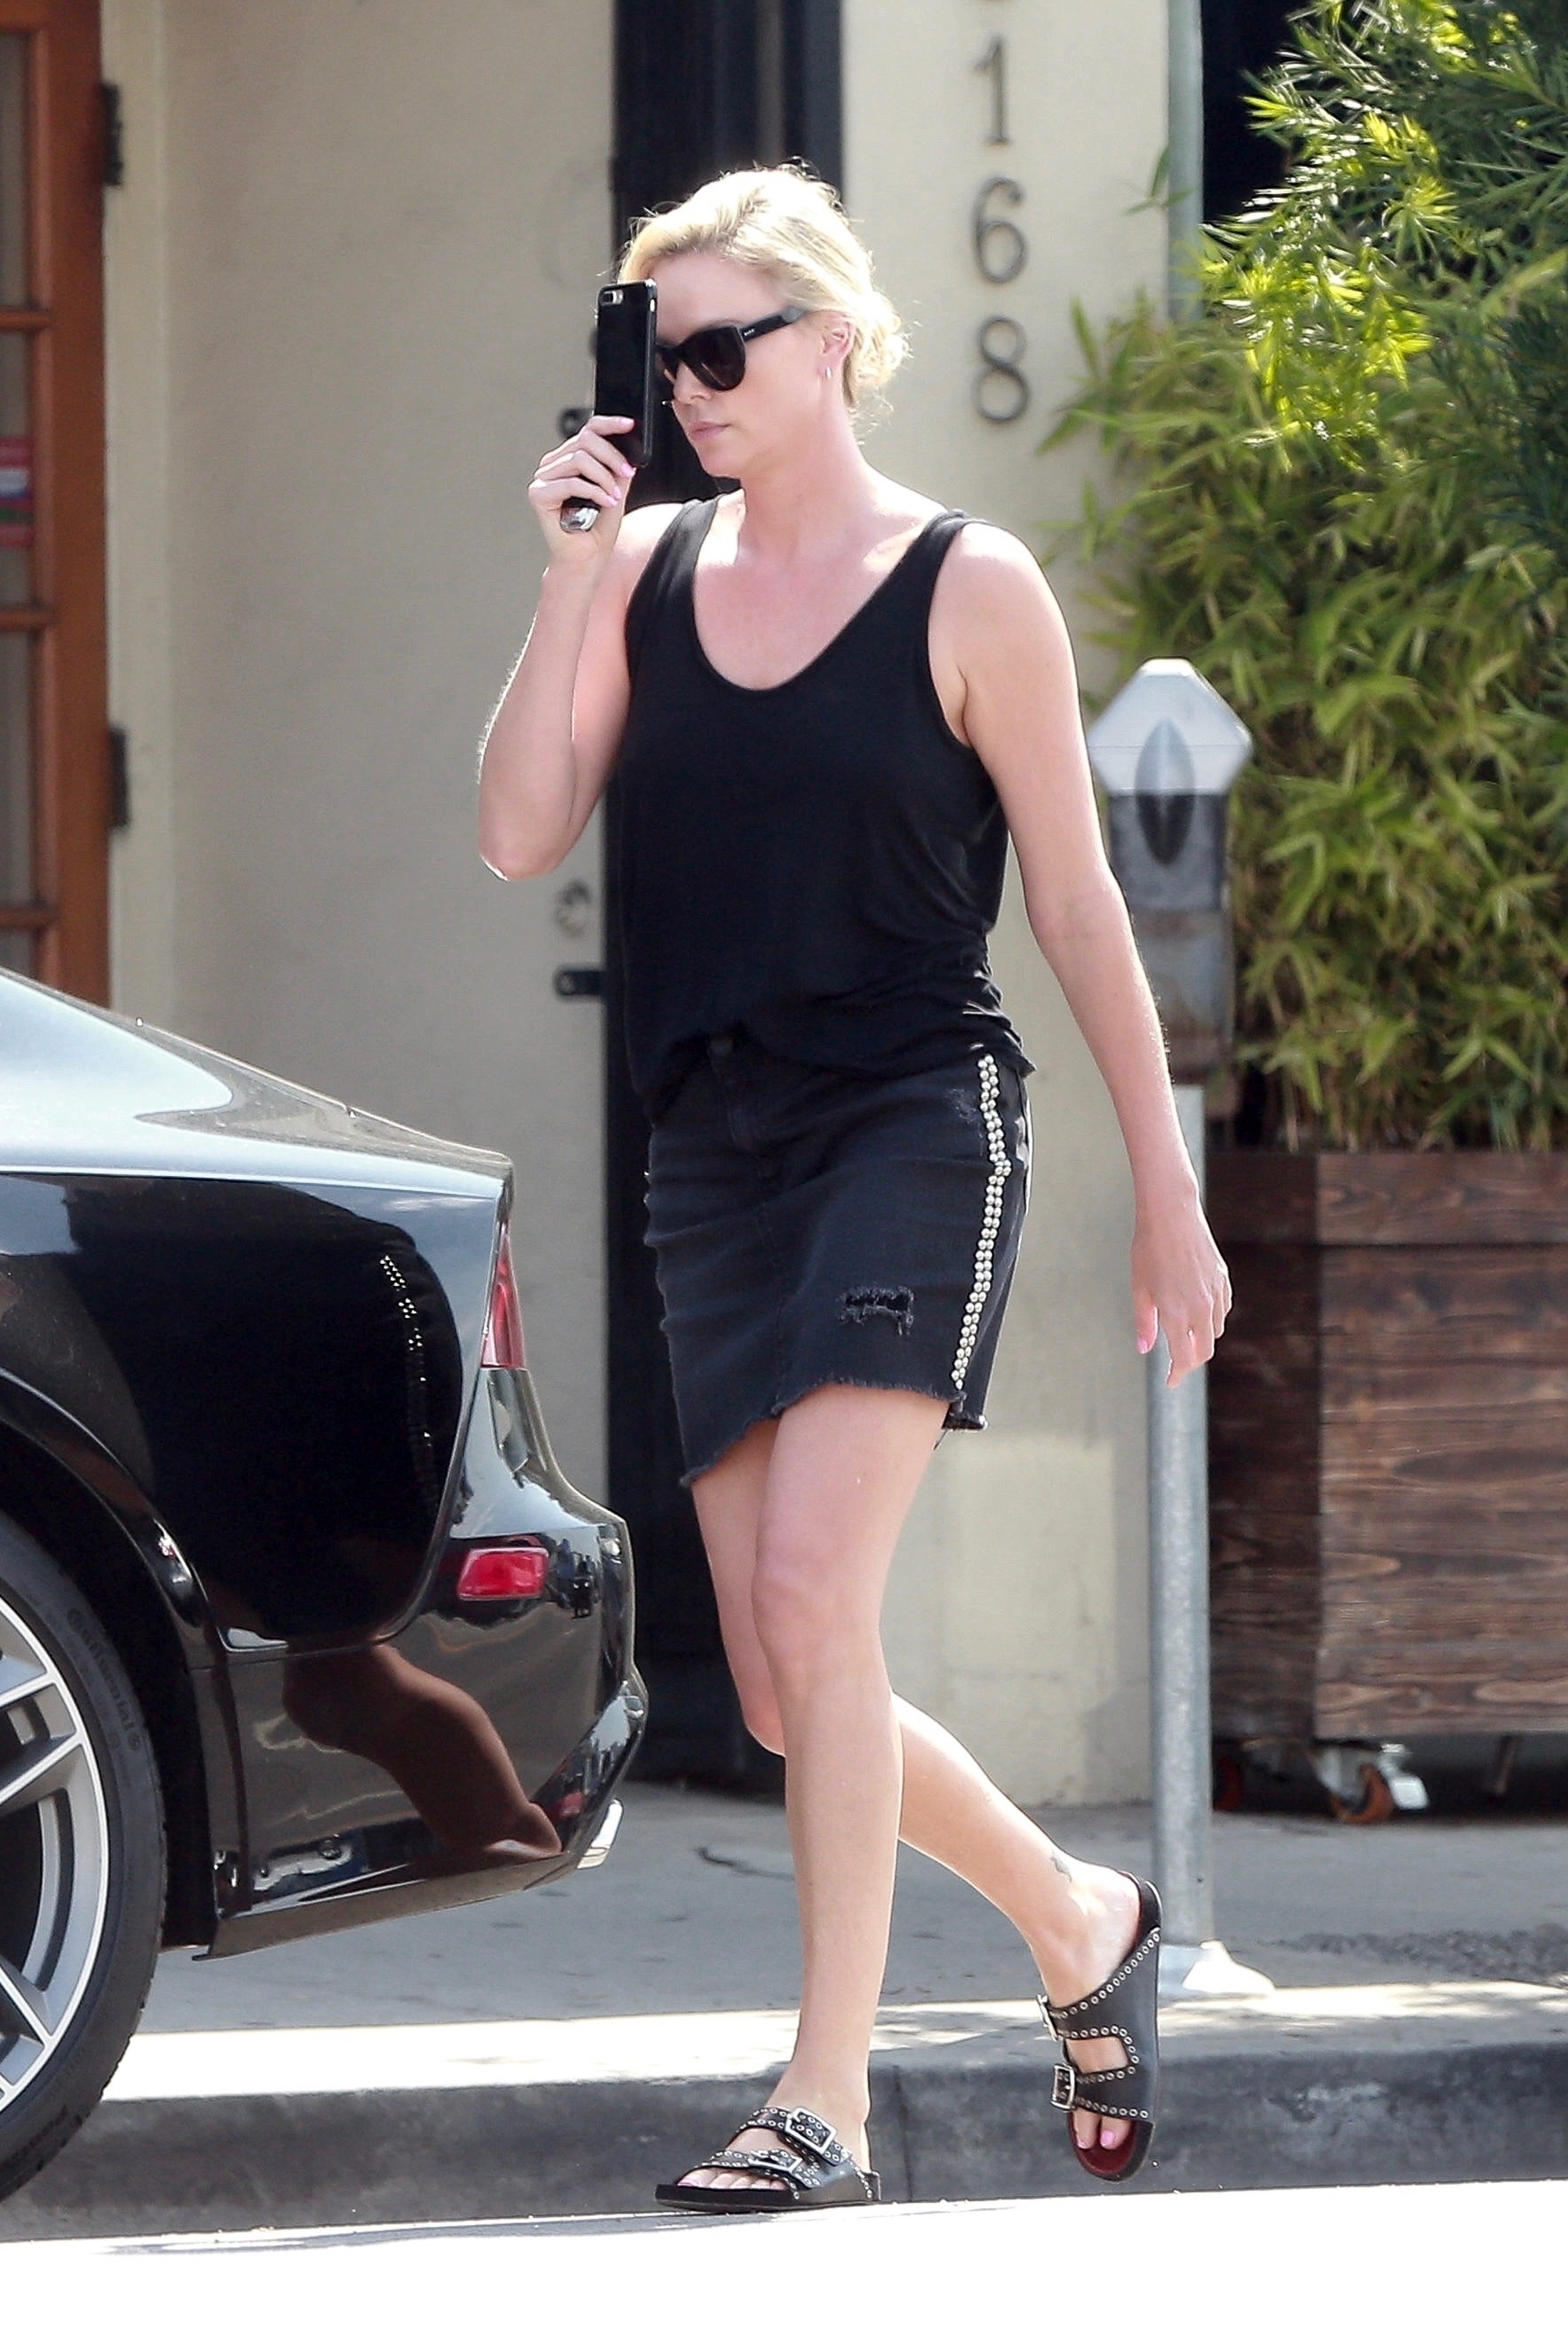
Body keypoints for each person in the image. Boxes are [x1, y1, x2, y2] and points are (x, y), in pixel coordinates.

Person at [478, 167, 1229, 2212]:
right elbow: (518, 829)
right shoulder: (646, 570)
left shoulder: (969, 586)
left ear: (828, 343)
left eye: (724, 346)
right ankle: (1080, 1915)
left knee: (820, 1605)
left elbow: (1076, 906)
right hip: (713, 1149)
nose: (690, 385)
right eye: (664, 353)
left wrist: (1169, 1189)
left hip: (912, 1120)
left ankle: (827, 2096)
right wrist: (568, 576)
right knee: (786, 1674)